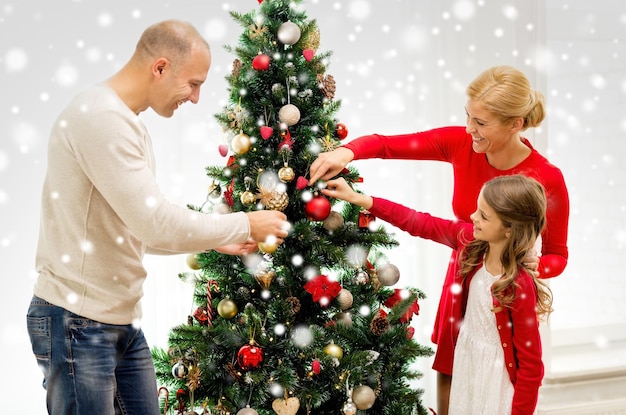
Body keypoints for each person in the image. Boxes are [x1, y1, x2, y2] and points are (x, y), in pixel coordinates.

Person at [26, 20, 289, 415]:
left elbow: (135, 228)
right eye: (194, 84)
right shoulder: (101, 118)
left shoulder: (126, 122)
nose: (197, 98)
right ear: (160, 68)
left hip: (118, 322)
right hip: (78, 323)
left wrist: (216, 240)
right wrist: (247, 223)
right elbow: (155, 221)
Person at [308, 65, 569, 414]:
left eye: (481, 122)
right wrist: (347, 153)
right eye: (468, 117)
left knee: (499, 374)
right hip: (463, 276)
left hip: (507, 290)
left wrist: (536, 267)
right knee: (452, 367)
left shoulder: (546, 178)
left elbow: (558, 254)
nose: (469, 129)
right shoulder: (462, 145)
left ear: (515, 123)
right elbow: (390, 151)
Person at [322, 174, 552, 414]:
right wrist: (359, 198)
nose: (473, 217)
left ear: (509, 230)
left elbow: (531, 366)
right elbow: (419, 222)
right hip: (467, 366)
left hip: (496, 383)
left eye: (483, 216)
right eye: (477, 209)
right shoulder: (471, 242)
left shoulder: (519, 286)